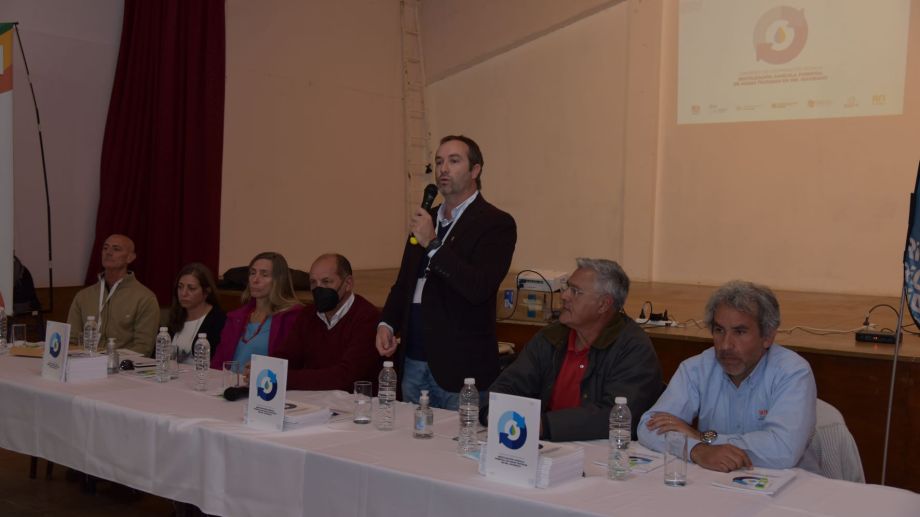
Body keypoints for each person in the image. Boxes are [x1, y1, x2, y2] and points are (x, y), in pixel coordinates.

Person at [376, 134, 517, 409]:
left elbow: (478, 287)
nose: (443, 169)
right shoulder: (426, 219)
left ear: (475, 170)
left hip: (461, 369)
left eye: (453, 161)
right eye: (439, 161)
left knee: (460, 437)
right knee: (410, 435)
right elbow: (405, 284)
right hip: (413, 361)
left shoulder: (496, 223)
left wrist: (433, 244)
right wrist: (387, 324)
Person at [638, 280, 819, 473]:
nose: (725, 345)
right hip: (718, 481)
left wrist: (704, 438)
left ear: (767, 337)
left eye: (739, 332)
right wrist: (696, 450)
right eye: (719, 330)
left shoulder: (792, 372)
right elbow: (648, 427)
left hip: (789, 484)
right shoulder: (697, 368)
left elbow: (783, 450)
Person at [483, 258, 662, 441]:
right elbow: (510, 384)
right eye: (567, 287)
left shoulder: (633, 348)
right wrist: (491, 410)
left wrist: (545, 425)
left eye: (575, 291)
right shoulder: (551, 337)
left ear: (603, 304)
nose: (564, 295)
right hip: (543, 443)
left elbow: (615, 415)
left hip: (603, 450)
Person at [269, 253, 381, 391]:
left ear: (348, 283)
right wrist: (264, 368)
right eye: (313, 283)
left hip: (357, 400)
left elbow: (345, 377)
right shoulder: (308, 314)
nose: (318, 289)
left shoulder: (367, 317)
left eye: (326, 282)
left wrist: (281, 377)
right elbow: (287, 355)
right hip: (313, 399)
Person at [66, 234, 159, 355]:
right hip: (85, 362)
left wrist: (109, 360)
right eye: (105, 248)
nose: (108, 252)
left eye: (116, 249)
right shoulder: (83, 296)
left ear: (130, 257)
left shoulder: (145, 298)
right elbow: (71, 340)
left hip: (122, 364)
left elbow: (143, 348)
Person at [210, 252, 303, 371]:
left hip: (264, 382)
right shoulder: (236, 317)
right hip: (227, 381)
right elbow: (218, 362)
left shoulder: (291, 317)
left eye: (264, 275)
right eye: (252, 273)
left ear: (279, 280)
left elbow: (293, 365)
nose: (255, 279)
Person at [167, 263, 226, 364]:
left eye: (191, 288)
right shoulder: (176, 314)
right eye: (180, 287)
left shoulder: (218, 320)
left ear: (206, 291)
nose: (183, 293)